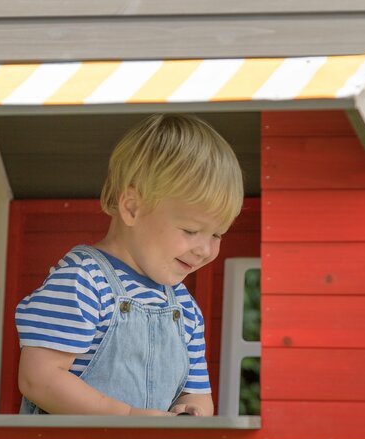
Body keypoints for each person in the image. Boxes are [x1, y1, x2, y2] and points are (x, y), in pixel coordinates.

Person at [15, 113, 244, 416]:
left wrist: (190, 413)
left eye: (217, 234)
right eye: (190, 230)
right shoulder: (84, 282)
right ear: (132, 208)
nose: (204, 249)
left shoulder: (185, 309)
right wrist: (127, 418)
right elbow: (39, 380)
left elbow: (197, 394)